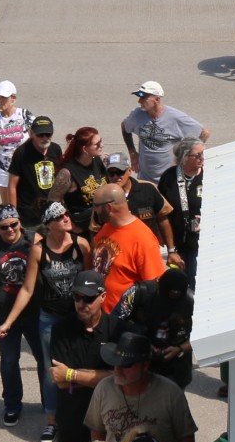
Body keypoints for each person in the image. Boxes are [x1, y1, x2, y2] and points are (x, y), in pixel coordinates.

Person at [0, 201, 92, 442]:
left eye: (66, 214)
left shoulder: (82, 245)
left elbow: (91, 281)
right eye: (59, 217)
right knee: (52, 372)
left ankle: (83, 416)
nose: (66, 218)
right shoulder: (39, 250)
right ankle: (52, 421)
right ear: (49, 224)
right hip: (50, 317)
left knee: (81, 366)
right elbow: (27, 289)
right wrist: (8, 322)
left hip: (78, 317)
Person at [85, 329, 199, 442]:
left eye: (126, 365)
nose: (117, 369)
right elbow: (97, 432)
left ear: (145, 366)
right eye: (115, 362)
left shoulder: (171, 394)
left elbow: (186, 439)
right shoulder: (103, 389)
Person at [0, 204, 47, 431]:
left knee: (44, 358)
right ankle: (12, 405)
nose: (10, 230)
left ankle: (48, 401)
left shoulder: (34, 239)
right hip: (2, 314)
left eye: (14, 224)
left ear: (20, 221)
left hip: (33, 311)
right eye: (4, 227)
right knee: (9, 361)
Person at [48, 271, 117, 442]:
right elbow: (60, 380)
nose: (81, 304)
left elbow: (118, 379)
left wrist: (71, 374)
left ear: (103, 297)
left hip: (108, 419)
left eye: (88, 298)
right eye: (77, 298)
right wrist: (102, 376)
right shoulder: (61, 329)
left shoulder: (116, 330)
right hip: (72, 419)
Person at [111, 268, 197, 389]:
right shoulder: (137, 292)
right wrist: (139, 342)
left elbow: (205, 334)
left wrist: (180, 348)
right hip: (138, 366)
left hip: (175, 371)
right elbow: (114, 322)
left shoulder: (194, 302)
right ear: (157, 286)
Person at [90, 184, 165, 315]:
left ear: (109, 207)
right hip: (102, 316)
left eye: (96, 206)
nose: (94, 210)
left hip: (124, 319)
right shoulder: (107, 227)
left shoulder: (143, 239)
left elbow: (154, 287)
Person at [120, 83, 209, 186]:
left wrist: (187, 157)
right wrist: (132, 153)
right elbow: (125, 127)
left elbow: (204, 133)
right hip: (145, 180)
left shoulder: (175, 117)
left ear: (157, 99)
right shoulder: (137, 115)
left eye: (144, 98)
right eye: (139, 97)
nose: (139, 101)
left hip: (170, 181)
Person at [157, 140, 203, 282]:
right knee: (180, 282)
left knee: (196, 279)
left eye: (203, 153)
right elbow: (160, 211)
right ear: (185, 157)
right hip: (178, 244)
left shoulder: (208, 176)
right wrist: (169, 247)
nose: (202, 158)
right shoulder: (169, 177)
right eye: (197, 155)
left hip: (200, 242)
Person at [52, 127, 109, 237]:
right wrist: (69, 223)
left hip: (101, 223)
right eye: (97, 144)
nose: (102, 145)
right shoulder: (67, 173)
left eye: (101, 141)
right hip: (81, 228)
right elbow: (53, 202)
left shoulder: (97, 160)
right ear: (85, 149)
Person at [8, 115, 61, 227]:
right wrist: (14, 215)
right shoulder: (21, 153)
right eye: (40, 135)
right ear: (31, 133)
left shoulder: (56, 149)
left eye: (48, 134)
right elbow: (12, 185)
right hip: (29, 214)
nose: (45, 138)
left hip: (52, 212)